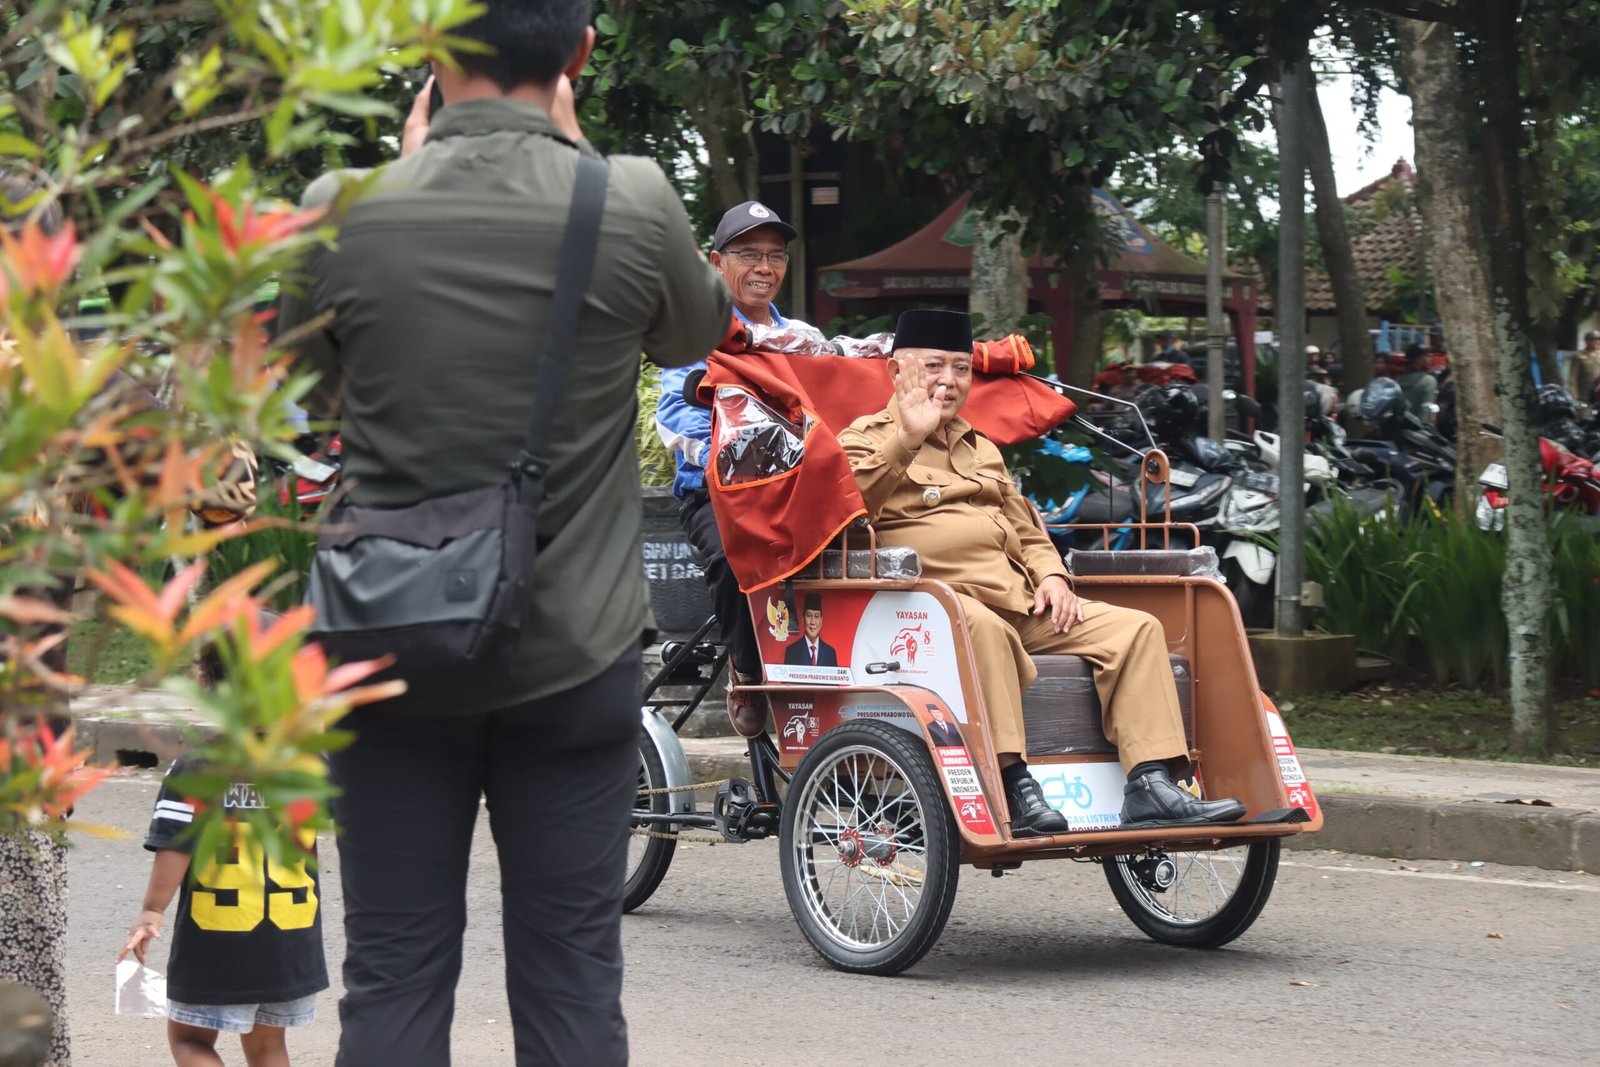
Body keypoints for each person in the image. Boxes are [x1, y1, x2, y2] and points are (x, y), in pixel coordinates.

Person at [273, 2, 731, 1063]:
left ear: (432, 58)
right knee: (574, 975)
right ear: (577, 56)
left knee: (390, 970)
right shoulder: (626, 198)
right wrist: (573, 156)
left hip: (389, 645)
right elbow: (699, 328)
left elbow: (307, 383)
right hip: (571, 654)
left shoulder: (342, 209)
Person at [838, 309, 1247, 837]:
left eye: (961, 368)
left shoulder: (980, 446)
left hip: (1017, 600)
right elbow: (845, 511)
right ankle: (1013, 783)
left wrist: (1053, 577)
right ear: (896, 372)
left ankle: (1151, 785)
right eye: (933, 366)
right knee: (978, 628)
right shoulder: (863, 438)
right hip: (928, 606)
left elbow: (1025, 527)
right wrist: (907, 441)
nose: (948, 380)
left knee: (1136, 630)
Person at [656, 199, 799, 734]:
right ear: (718, 264)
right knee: (733, 554)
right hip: (716, 493)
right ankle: (747, 668)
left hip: (794, 490)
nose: (764, 267)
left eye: (775, 256)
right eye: (748, 254)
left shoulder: (798, 339)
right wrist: (729, 456)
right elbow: (673, 415)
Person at [119, 755, 327, 1067]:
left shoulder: (197, 765)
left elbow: (176, 843)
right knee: (268, 1046)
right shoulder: (309, 761)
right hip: (291, 940)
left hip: (216, 940)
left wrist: (153, 909)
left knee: (190, 1040)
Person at [783, 592, 838, 666]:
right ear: (803, 619)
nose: (812, 622)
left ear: (821, 621)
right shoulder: (792, 651)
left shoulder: (830, 653)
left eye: (816, 616)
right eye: (809, 616)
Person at [1395, 343, 1439, 416]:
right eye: (1427, 356)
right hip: (1420, 426)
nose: (1430, 359)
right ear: (1417, 359)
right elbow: (1427, 412)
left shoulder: (1397, 381)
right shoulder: (1428, 381)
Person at [1568, 331, 1600, 415]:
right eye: (1594, 339)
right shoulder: (1579, 356)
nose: (1597, 341)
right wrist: (1574, 395)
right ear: (1587, 341)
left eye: (1599, 339)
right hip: (1584, 395)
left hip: (1598, 394)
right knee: (1584, 419)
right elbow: (1573, 378)